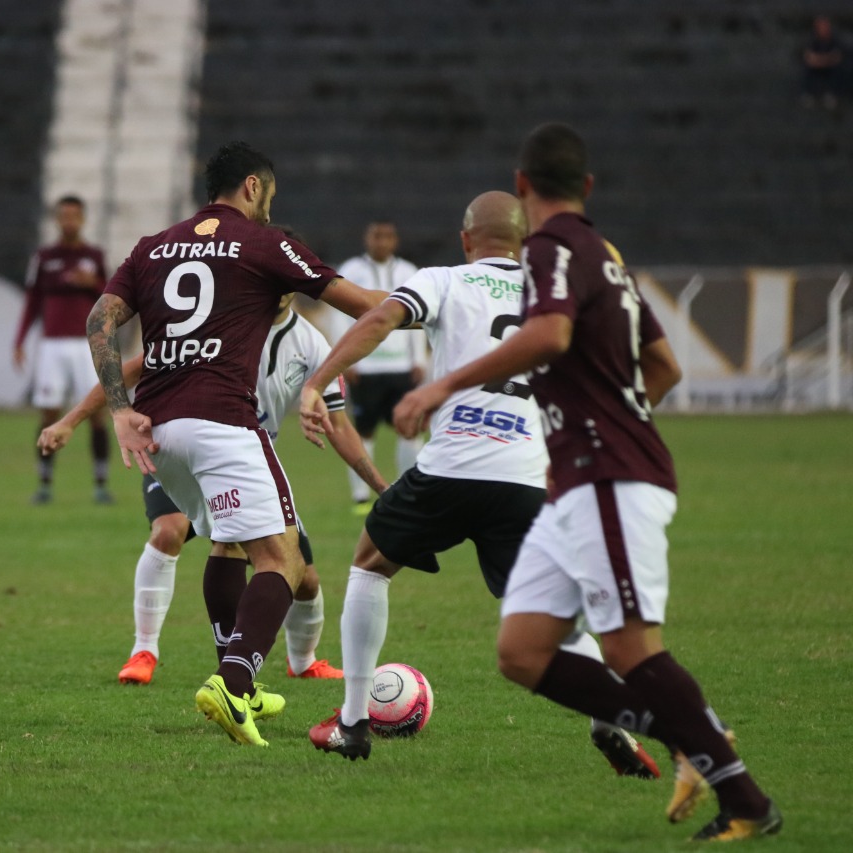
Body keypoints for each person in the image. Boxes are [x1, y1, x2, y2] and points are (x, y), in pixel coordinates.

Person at [393, 123, 780, 841]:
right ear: (589, 187)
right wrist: (606, 414)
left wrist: (438, 385)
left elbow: (549, 336)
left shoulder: (547, 249)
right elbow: (663, 366)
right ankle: (693, 736)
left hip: (609, 476)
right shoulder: (605, 255)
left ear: (521, 186)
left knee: (631, 643)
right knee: (523, 650)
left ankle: (742, 793)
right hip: (577, 478)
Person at [299, 191, 658, 780]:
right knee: (555, 619)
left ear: (467, 240)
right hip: (524, 476)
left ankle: (353, 723)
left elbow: (382, 319)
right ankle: (609, 718)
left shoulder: (443, 279)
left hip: (452, 466)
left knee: (369, 562)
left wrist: (320, 382)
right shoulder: (555, 297)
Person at [85, 141, 384, 746]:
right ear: (252, 186)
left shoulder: (153, 246)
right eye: (269, 195)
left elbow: (99, 321)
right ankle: (234, 682)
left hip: (158, 434)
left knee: (227, 548)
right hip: (222, 422)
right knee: (286, 560)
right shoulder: (265, 243)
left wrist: (119, 410)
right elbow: (367, 308)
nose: (270, 206)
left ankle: (237, 678)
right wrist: (435, 306)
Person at [40, 290, 388, 685]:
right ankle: (145, 651)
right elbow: (136, 367)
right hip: (180, 448)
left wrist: (382, 487)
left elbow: (339, 425)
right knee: (171, 529)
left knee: (302, 577)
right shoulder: (220, 321)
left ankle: (302, 660)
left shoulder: (310, 343)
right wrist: (71, 420)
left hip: (247, 464)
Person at [13, 195, 112, 505]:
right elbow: (31, 301)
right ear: (57, 219)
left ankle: (100, 483)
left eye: (74, 216)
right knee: (49, 413)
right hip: (52, 345)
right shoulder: (44, 257)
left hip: (87, 346)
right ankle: (44, 483)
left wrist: (93, 282)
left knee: (96, 413)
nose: (69, 221)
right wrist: (19, 340)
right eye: (64, 216)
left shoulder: (94, 256)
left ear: (82, 220)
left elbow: (109, 297)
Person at [331, 221, 428, 514]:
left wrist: (419, 359)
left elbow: (420, 313)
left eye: (387, 236)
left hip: (401, 368)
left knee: (409, 429)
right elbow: (339, 316)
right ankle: (361, 497)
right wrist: (346, 359)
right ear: (367, 238)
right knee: (364, 431)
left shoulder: (409, 272)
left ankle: (407, 489)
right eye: (376, 236)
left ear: (395, 240)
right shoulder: (350, 270)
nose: (381, 242)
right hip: (365, 367)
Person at [801, 16, 845, 110]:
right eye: (820, 26)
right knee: (807, 68)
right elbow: (809, 57)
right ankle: (809, 94)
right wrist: (825, 60)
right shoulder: (812, 39)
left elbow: (837, 57)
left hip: (830, 66)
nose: (823, 29)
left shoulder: (835, 39)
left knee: (838, 69)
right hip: (816, 66)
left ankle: (831, 95)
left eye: (825, 26)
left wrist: (821, 60)